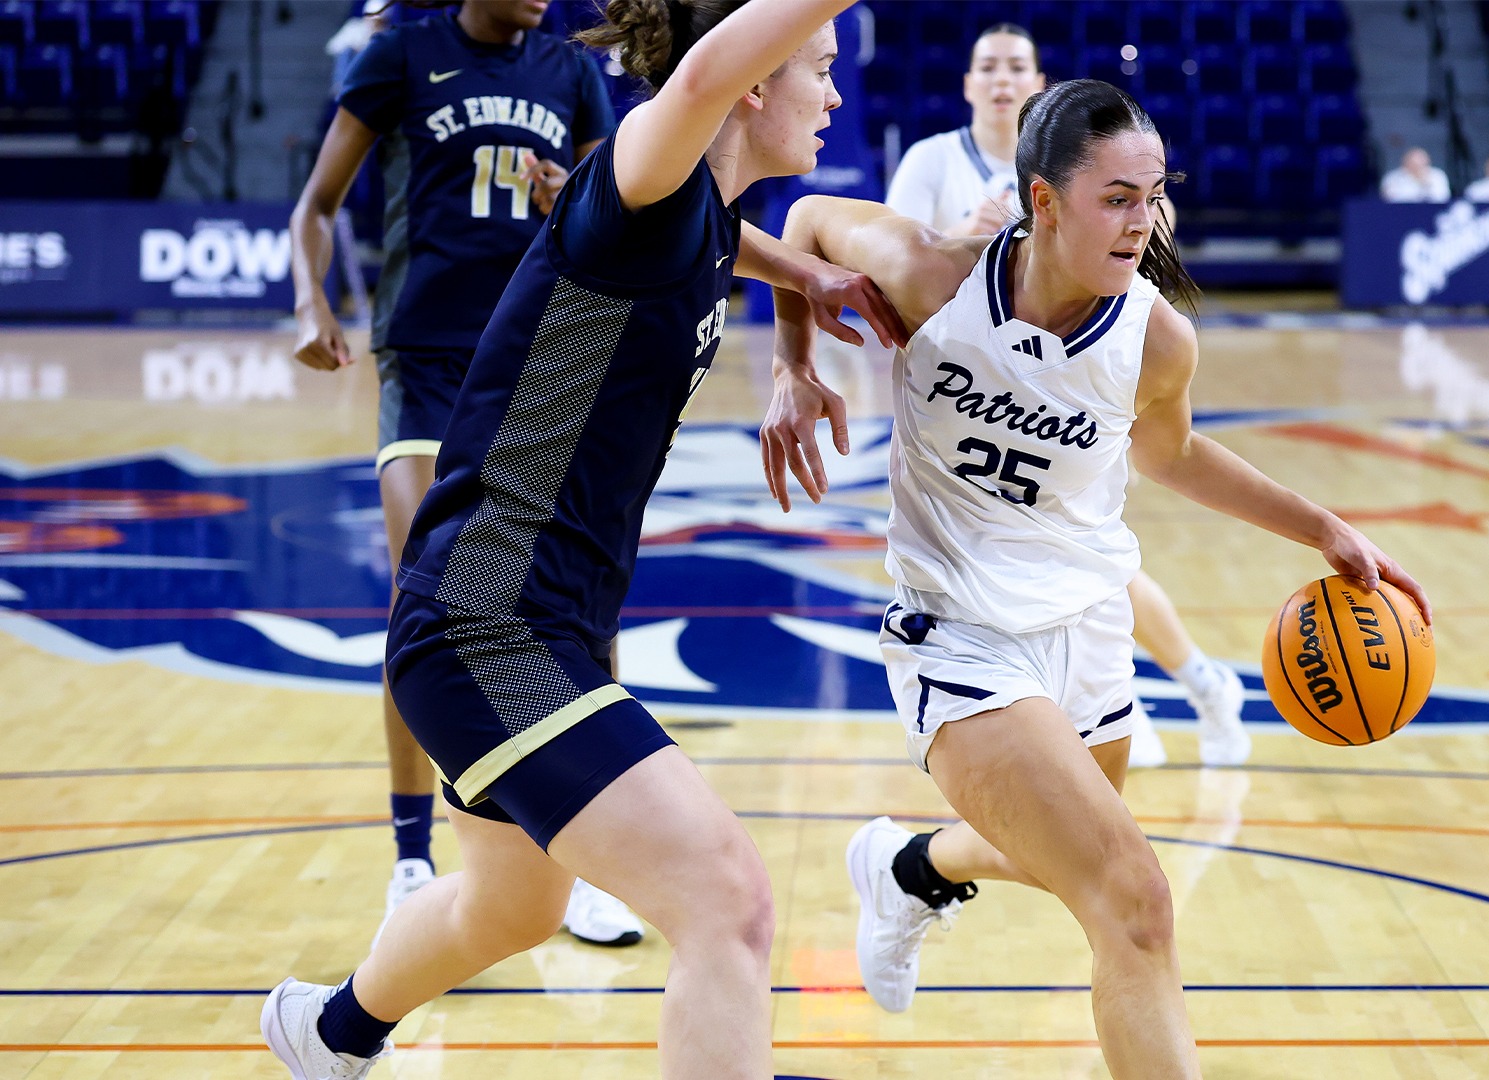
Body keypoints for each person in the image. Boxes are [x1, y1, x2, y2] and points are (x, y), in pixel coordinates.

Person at [263, 2, 907, 1077]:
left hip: (525, 615)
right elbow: (698, 81)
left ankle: (328, 1035)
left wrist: (805, 290)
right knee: (729, 902)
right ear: (751, 81)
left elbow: (750, 241)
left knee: (513, 907)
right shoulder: (642, 172)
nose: (835, 94)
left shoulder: (693, 212)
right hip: (489, 621)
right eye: (820, 68)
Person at [760, 79, 1431, 1078]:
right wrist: (791, 359)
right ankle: (911, 873)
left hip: (1090, 624)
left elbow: (1171, 457)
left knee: (1068, 867)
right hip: (961, 636)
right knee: (1134, 902)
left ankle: (908, 869)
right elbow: (806, 219)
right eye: (1117, 197)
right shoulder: (934, 276)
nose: (1143, 222)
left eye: (1153, 196)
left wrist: (1321, 527)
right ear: (1042, 201)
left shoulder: (1156, 337)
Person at [288, 0, 646, 946]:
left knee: (574, 609)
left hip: (539, 348)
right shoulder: (401, 57)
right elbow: (316, 206)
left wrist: (566, 193)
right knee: (425, 599)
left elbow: (612, 194)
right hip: (428, 354)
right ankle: (414, 857)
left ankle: (583, 859)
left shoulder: (569, 70)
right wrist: (309, 300)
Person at [884, 21, 1249, 768]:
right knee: (1032, 564)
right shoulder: (934, 161)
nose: (1001, 78)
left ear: (1038, 82)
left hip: (1072, 404)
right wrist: (975, 234)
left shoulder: (1091, 162)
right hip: (966, 392)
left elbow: (1152, 230)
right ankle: (1143, 694)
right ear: (967, 83)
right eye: (986, 65)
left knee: (1087, 557)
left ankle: (1185, 683)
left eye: (1016, 65)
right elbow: (899, 249)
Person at [1379, 146, 1449, 203]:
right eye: (1413, 163)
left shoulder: (1438, 175)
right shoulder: (1392, 178)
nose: (1417, 166)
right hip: (1399, 214)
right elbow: (1390, 199)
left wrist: (1424, 182)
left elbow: (1442, 197)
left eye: (1421, 161)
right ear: (1405, 162)